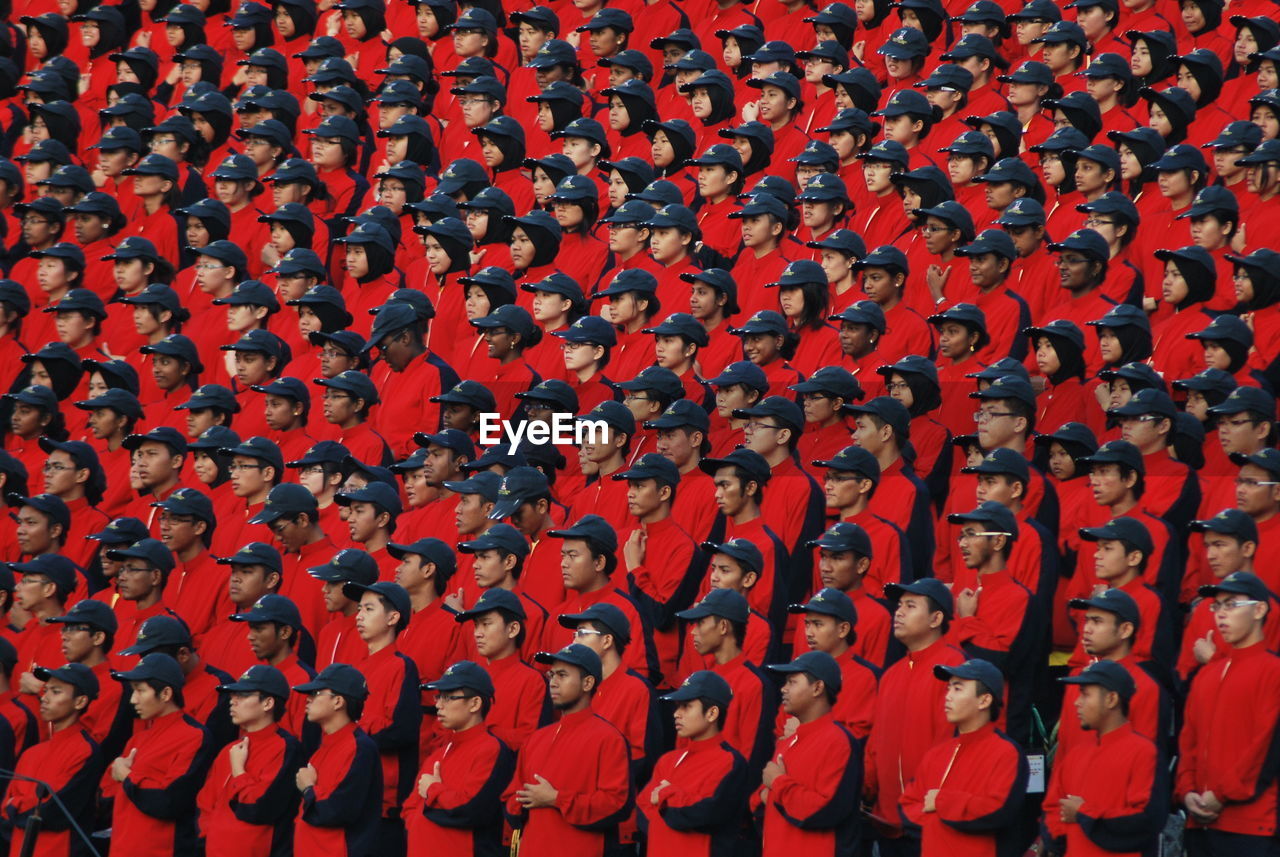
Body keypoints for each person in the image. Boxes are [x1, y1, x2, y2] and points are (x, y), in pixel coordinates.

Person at [1178, 572, 1280, 857]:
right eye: (1217, 605)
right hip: (1199, 821)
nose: (1221, 614)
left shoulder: (1273, 671)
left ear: (1259, 609)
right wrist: (1187, 790)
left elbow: (1264, 747)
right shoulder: (1206, 675)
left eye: (1232, 604)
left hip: (1252, 824)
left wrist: (1219, 795)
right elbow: (1189, 741)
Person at [865, 579, 967, 857]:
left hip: (928, 819)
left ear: (936, 618)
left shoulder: (954, 669)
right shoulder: (891, 674)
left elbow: (952, 745)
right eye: (899, 605)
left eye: (910, 606)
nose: (898, 612)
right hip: (886, 820)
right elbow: (877, 742)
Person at [505, 643, 631, 857]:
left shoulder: (609, 738)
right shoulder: (536, 738)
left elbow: (616, 805)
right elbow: (511, 798)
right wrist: (518, 802)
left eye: (562, 675)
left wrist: (556, 798)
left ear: (587, 682)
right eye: (551, 675)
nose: (552, 682)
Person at [899, 659, 1029, 857]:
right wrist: (941, 819)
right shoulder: (936, 754)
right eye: (948, 689)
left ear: (984, 701)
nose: (948, 697)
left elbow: (997, 812)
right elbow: (908, 805)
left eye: (957, 689)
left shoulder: (1006, 752)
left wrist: (941, 803)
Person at [1042, 660, 1164, 857]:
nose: (1076, 702)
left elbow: (1146, 820)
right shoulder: (1076, 753)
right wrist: (1060, 837)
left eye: (1085, 694)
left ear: (1111, 699)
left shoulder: (1144, 752)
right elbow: (1052, 808)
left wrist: (1084, 814)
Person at [751, 650, 864, 855]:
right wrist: (766, 793)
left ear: (818, 688)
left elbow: (825, 810)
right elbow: (759, 801)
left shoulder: (839, 742)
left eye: (792, 682)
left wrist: (778, 784)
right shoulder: (788, 742)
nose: (783, 689)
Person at [107, 652, 216, 857]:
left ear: (165, 694)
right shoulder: (137, 740)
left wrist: (127, 776)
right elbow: (107, 794)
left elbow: (169, 801)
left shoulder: (194, 735)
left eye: (140, 690)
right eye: (132, 691)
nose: (132, 699)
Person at [403, 660, 516, 856]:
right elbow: (409, 808)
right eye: (438, 697)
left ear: (475, 703)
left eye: (448, 697)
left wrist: (434, 790)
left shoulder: (491, 749)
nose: (438, 704)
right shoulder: (441, 750)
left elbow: (471, 810)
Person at [197, 665, 305, 857]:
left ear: (268, 703)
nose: (233, 701)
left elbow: (260, 809)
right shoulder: (228, 750)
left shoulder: (287, 747)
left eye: (244, 695)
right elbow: (205, 804)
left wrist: (239, 770)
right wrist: (210, 833)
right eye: (233, 696)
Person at [639, 669, 748, 854]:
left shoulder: (730, 761)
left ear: (712, 713)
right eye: (678, 706)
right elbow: (643, 811)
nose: (676, 714)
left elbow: (707, 814)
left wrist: (667, 794)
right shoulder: (668, 760)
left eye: (686, 706)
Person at [0, 662, 102, 857]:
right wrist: (21, 806)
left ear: (80, 702)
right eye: (45, 691)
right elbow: (5, 811)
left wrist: (17, 805)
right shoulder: (32, 753)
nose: (44, 698)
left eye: (55, 692)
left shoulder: (85, 750)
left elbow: (52, 812)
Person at [291, 664, 383, 857]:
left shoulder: (360, 747)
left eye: (316, 693)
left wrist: (308, 788)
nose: (307, 699)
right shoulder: (326, 744)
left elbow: (338, 810)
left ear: (338, 701)